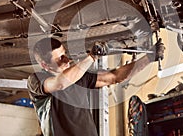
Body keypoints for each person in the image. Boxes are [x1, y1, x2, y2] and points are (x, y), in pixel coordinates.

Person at [27, 37, 164, 136]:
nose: (67, 60)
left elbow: (115, 77)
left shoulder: (80, 76)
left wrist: (149, 58)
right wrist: (92, 57)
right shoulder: (36, 80)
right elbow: (60, 83)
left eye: (65, 54)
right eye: (59, 58)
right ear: (45, 65)